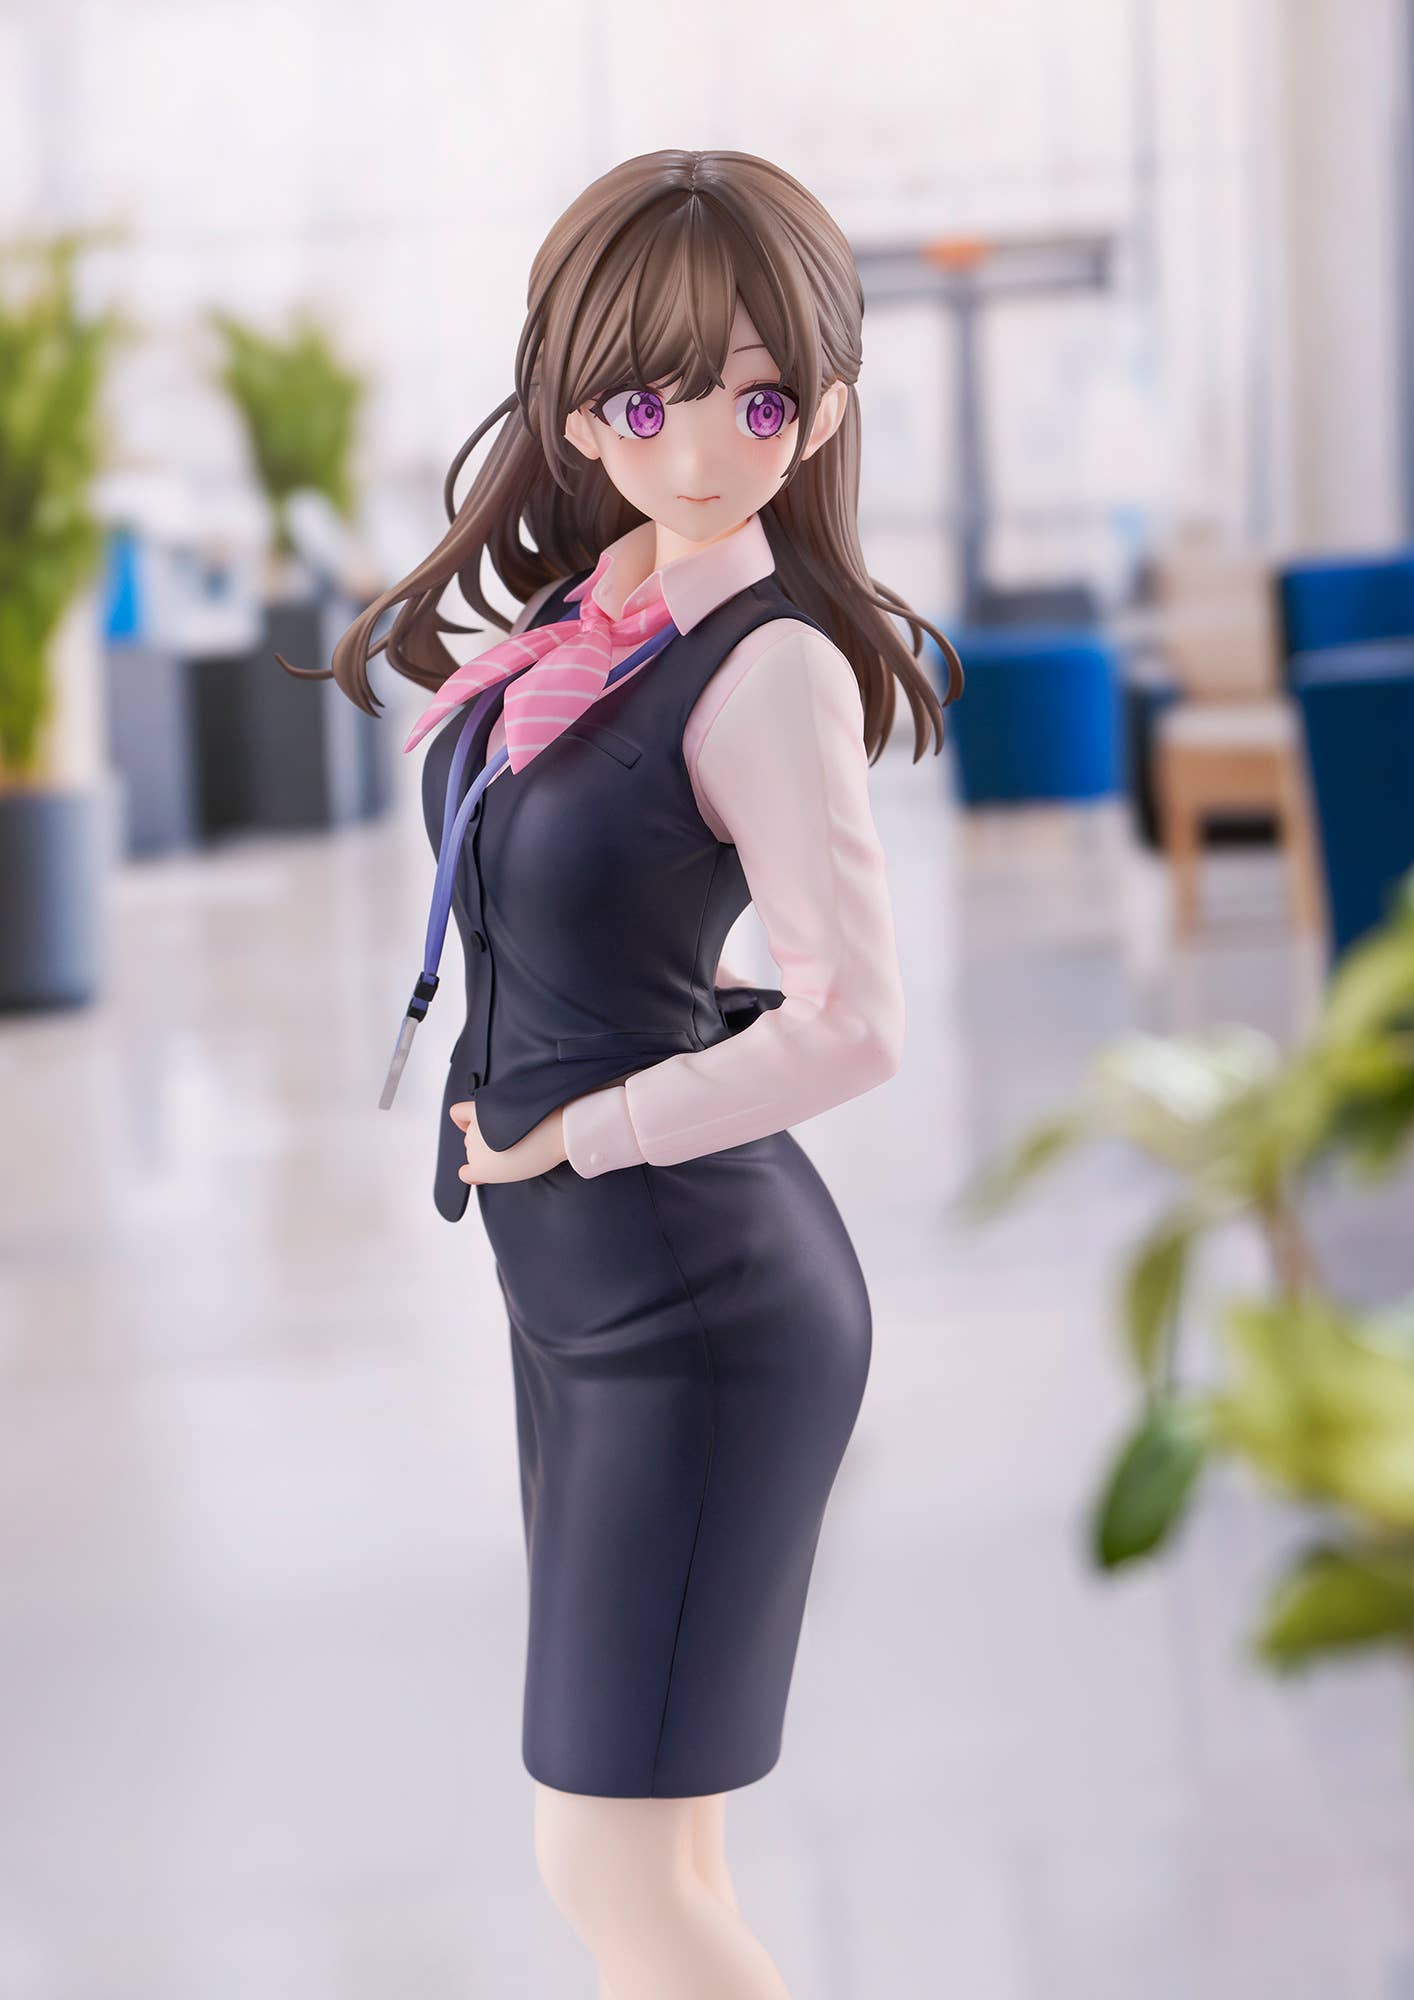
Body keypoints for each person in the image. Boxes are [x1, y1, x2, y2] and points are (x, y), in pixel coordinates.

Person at [311, 148, 961, 2000]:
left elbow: (859, 1019)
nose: (698, 452)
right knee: (660, 1851)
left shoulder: (769, 669)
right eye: (649, 399)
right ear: (580, 406)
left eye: (756, 402)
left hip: (698, 1309)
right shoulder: (591, 624)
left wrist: (593, 1125)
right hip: (576, 1296)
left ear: (819, 410)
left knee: (605, 1865)